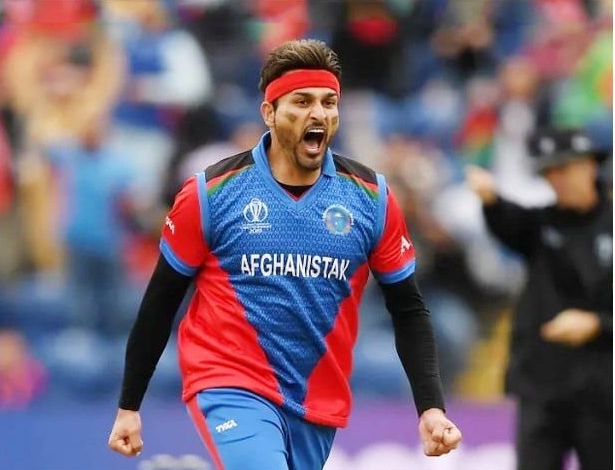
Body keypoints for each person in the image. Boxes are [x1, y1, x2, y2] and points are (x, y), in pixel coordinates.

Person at [108, 39, 461, 469]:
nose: (319, 114)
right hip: (229, 379)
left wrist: (431, 408)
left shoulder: (371, 198)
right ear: (269, 112)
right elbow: (161, 300)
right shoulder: (211, 193)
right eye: (302, 101)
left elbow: (408, 308)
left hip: (316, 398)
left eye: (329, 102)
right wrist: (129, 405)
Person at [466, 127, 612, 470]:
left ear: (589, 165)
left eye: (564, 169)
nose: (556, 180)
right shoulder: (541, 225)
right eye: (549, 172)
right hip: (542, 385)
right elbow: (509, 222)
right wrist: (490, 199)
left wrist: (597, 324)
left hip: (604, 389)